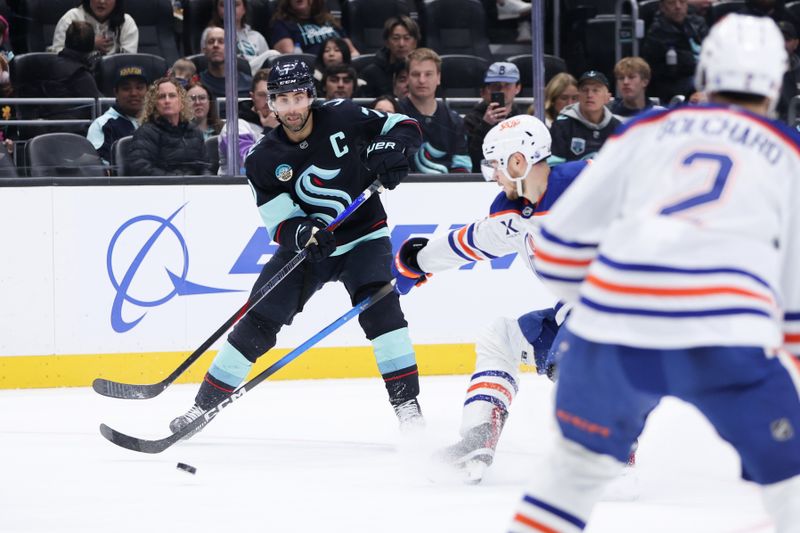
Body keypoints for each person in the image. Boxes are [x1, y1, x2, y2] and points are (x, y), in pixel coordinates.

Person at [507, 15, 800, 532]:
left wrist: (605, 305)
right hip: (724, 337)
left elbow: (556, 251)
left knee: (569, 481)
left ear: (704, 73)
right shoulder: (789, 154)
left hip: (612, 335)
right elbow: (794, 301)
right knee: (790, 486)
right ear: (777, 82)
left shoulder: (643, 131)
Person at [169, 58, 425, 436]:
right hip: (309, 251)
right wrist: (303, 233)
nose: (292, 108)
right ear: (270, 104)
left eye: (298, 97)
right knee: (257, 320)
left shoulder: (345, 115)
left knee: (383, 315)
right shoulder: (261, 159)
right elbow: (280, 221)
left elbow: (405, 126)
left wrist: (394, 152)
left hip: (364, 237)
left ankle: (408, 407)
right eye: (282, 99)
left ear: (311, 96)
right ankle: (202, 408)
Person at [392, 114, 587, 483]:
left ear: (519, 162)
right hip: (578, 316)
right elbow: (472, 241)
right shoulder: (513, 214)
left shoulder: (588, 185)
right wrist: (416, 261)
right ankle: (478, 439)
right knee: (501, 338)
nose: (493, 175)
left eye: (497, 165)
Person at [398, 48, 471, 174]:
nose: (422, 80)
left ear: (438, 78)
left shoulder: (454, 121)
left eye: (428, 74)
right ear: (407, 78)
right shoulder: (394, 115)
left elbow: (462, 167)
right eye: (416, 74)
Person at [128, 77, 208, 176]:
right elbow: (140, 167)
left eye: (172, 95)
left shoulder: (195, 132)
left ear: (181, 101)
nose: (167, 100)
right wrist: (175, 180)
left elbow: (206, 167)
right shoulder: (146, 132)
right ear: (154, 104)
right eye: (161, 97)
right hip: (163, 188)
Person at [641, 0, 709, 104]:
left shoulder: (698, 23)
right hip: (674, 83)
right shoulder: (657, 32)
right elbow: (654, 71)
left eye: (682, 2)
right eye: (671, 3)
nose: (678, 7)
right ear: (663, 7)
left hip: (702, 75)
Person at [549, 70, 622, 163]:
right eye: (585, 90)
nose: (589, 95)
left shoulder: (618, 127)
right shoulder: (562, 125)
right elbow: (554, 167)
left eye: (596, 90)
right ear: (578, 95)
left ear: (607, 97)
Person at [464, 61, 525, 172]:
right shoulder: (471, 119)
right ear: (489, 89)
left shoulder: (524, 120)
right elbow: (471, 158)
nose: (502, 90)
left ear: (518, 88)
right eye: (496, 86)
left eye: (507, 85)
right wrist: (485, 125)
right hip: (482, 178)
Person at [217, 68, 278, 175]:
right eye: (262, 95)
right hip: (237, 188)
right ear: (252, 97)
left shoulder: (286, 123)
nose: (268, 100)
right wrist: (268, 131)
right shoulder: (234, 127)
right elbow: (247, 164)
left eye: (273, 95)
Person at [87, 63, 147, 164]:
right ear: (116, 92)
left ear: (148, 91)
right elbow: (97, 166)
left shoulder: (157, 121)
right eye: (126, 89)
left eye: (139, 88)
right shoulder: (102, 124)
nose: (134, 93)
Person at [206, 0, 276, 75]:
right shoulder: (210, 33)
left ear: (244, 9)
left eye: (236, 4)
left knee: (273, 55)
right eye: (223, 5)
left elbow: (267, 65)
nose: (230, 9)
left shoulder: (256, 36)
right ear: (218, 10)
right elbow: (207, 61)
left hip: (254, 77)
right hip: (227, 74)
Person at [269, 0, 359, 57]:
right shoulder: (281, 24)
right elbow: (292, 58)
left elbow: (353, 52)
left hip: (342, 68)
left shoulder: (328, 20)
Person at [360, 16, 420, 98]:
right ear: (387, 42)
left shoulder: (424, 71)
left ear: (415, 43)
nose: (401, 44)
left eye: (407, 38)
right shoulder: (371, 73)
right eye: (396, 38)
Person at [50, 0, 138, 56]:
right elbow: (57, 55)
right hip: (76, 78)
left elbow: (129, 60)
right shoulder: (72, 17)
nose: (102, 1)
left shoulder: (126, 22)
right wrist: (89, 44)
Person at [199, 27, 253, 99]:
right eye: (211, 42)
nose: (215, 45)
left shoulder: (250, 84)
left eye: (221, 41)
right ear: (204, 50)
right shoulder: (198, 84)